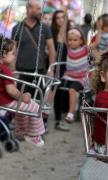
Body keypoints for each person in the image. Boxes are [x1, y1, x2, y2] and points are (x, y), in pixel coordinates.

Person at [12, 0, 56, 132]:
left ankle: (38, 128)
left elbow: (51, 49)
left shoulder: (45, 27)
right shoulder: (17, 27)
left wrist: (51, 69)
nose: (40, 11)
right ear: (29, 8)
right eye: (38, 8)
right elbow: (12, 50)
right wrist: (12, 70)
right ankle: (23, 128)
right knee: (22, 102)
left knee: (38, 101)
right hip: (21, 71)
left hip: (39, 71)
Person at [0, 36, 45, 147]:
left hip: (2, 100)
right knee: (35, 108)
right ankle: (34, 135)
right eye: (13, 53)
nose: (15, 56)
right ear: (4, 54)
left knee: (22, 110)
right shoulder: (5, 69)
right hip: (7, 101)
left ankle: (21, 131)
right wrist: (22, 96)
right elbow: (10, 90)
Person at [61, 27, 89, 123]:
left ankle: (71, 113)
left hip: (80, 78)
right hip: (68, 76)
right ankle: (46, 109)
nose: (71, 42)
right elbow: (62, 34)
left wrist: (99, 29)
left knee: (72, 90)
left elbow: (96, 43)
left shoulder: (85, 49)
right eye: (70, 40)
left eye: (75, 40)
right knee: (55, 85)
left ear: (81, 41)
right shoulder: (68, 48)